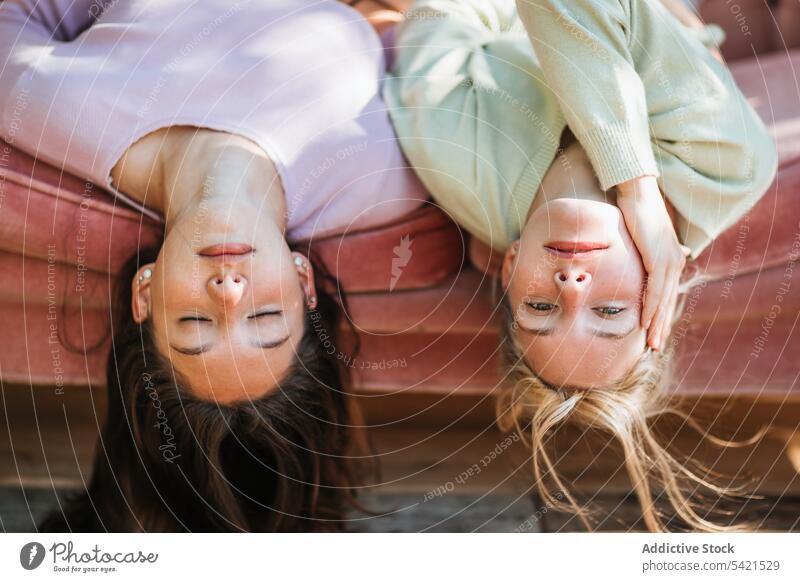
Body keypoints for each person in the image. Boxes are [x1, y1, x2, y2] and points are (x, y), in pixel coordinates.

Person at [0, 0, 426, 531]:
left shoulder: (56, 112)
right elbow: (429, 39)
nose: (227, 293)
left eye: (196, 324)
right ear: (302, 281)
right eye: (265, 321)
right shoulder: (384, 183)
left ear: (145, 296)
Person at [383, 0, 777, 530]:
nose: (570, 287)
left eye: (540, 306)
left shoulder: (464, 168)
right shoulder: (727, 165)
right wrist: (636, 182)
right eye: (610, 311)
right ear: (666, 284)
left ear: (510, 267)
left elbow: (436, 16)